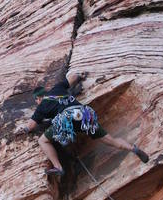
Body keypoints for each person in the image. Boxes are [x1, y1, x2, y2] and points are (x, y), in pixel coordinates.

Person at [15, 72, 149, 176]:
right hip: (84, 115)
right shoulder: (57, 88)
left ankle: (58, 167)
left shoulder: (41, 107)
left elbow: (31, 126)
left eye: (36, 101)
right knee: (110, 139)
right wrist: (80, 76)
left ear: (38, 98)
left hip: (67, 119)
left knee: (43, 141)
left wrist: (24, 129)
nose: (37, 103)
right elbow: (73, 77)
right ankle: (133, 148)